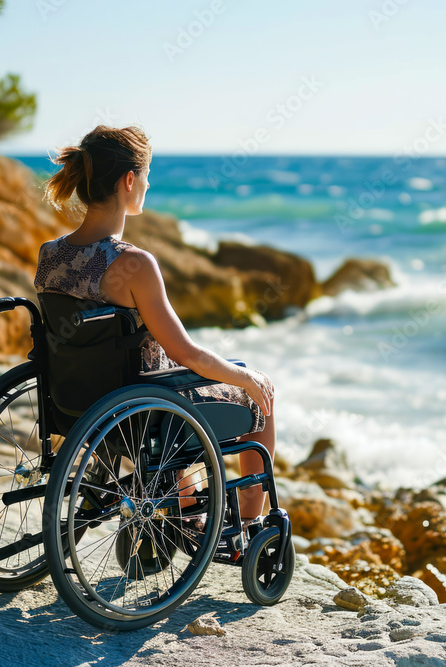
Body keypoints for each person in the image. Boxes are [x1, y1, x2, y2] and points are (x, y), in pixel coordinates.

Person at [33, 124, 275, 532]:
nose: (148, 183)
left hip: (73, 402)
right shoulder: (134, 265)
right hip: (141, 411)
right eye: (146, 175)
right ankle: (249, 524)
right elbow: (187, 354)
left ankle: (185, 516)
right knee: (259, 392)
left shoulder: (50, 254)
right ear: (129, 181)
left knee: (177, 395)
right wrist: (245, 376)